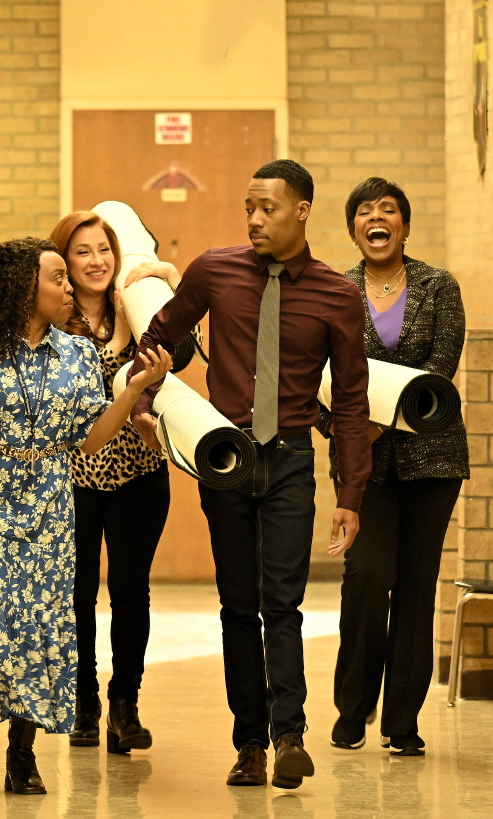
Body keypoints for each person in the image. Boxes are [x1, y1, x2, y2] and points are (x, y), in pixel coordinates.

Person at [129, 159, 372, 789]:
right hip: (227, 459)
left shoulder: (337, 295)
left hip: (291, 457)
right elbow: (157, 338)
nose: (256, 219)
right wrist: (151, 402)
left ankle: (290, 733)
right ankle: (250, 745)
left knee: (282, 603)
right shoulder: (215, 270)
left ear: (302, 211)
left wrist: (351, 492)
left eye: (268, 208)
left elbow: (350, 401)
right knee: (238, 606)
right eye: (248, 208)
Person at [0, 237, 172, 796]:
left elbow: (93, 438)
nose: (70, 288)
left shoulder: (75, 355)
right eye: (58, 279)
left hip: (50, 505)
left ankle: (22, 755)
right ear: (26, 288)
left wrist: (136, 389)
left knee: (42, 628)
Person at [319, 177, 469, 757]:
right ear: (353, 228)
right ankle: (352, 710)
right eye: (364, 211)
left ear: (405, 226)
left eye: (389, 210)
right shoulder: (334, 289)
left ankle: (402, 721)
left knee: (414, 586)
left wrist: (387, 416)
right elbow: (315, 375)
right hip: (362, 464)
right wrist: (350, 427)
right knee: (366, 579)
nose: (376, 218)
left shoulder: (438, 286)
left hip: (433, 460)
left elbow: (441, 364)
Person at [49, 211, 179, 754]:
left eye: (105, 249)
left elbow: (174, 356)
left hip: (138, 474)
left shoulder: (139, 298)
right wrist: (124, 331)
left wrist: (165, 281)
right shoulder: (53, 313)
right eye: (83, 251)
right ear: (65, 260)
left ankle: (125, 703)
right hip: (74, 478)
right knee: (77, 595)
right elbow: (87, 380)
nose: (97, 261)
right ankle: (83, 703)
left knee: (131, 592)